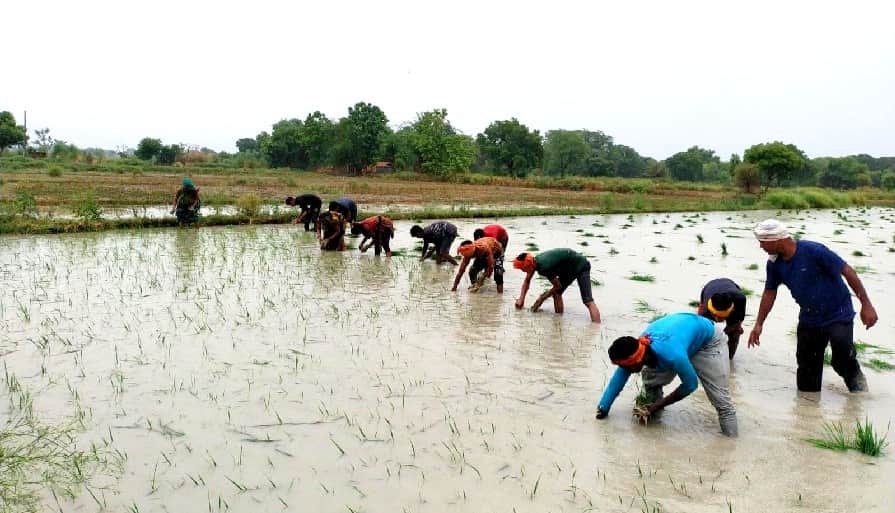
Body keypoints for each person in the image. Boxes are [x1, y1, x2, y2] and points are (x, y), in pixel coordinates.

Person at [747, 219, 878, 393]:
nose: (761, 246)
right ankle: (808, 412)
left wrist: (866, 304)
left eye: (763, 242)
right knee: (807, 371)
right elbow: (769, 293)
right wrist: (759, 324)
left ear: (776, 240)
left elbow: (847, 271)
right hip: (810, 318)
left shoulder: (814, 251)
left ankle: (860, 391)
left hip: (838, 313)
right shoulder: (774, 264)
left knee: (842, 358)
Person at [595, 312, 738, 437]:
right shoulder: (636, 347)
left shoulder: (673, 355)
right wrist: (603, 408)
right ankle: (652, 426)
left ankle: (731, 443)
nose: (623, 370)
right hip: (680, 336)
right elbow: (617, 381)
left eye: (625, 367)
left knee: (722, 401)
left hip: (708, 342)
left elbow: (690, 385)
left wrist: (658, 405)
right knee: (651, 383)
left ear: (637, 360)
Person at [513, 249, 601, 323]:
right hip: (568, 268)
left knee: (587, 300)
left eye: (522, 269)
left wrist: (542, 298)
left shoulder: (544, 267)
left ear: (529, 266)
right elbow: (527, 281)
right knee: (557, 294)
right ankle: (559, 321)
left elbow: (557, 286)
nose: (522, 271)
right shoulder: (534, 262)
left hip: (581, 265)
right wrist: (521, 299)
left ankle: (596, 328)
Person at [698, 278, 747, 359]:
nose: (717, 319)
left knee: (735, 332)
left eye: (721, 317)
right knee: (703, 331)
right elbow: (700, 327)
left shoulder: (740, 300)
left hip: (730, 285)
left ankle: (729, 359)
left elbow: (736, 323)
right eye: (715, 315)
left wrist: (724, 334)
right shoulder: (706, 308)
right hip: (709, 287)